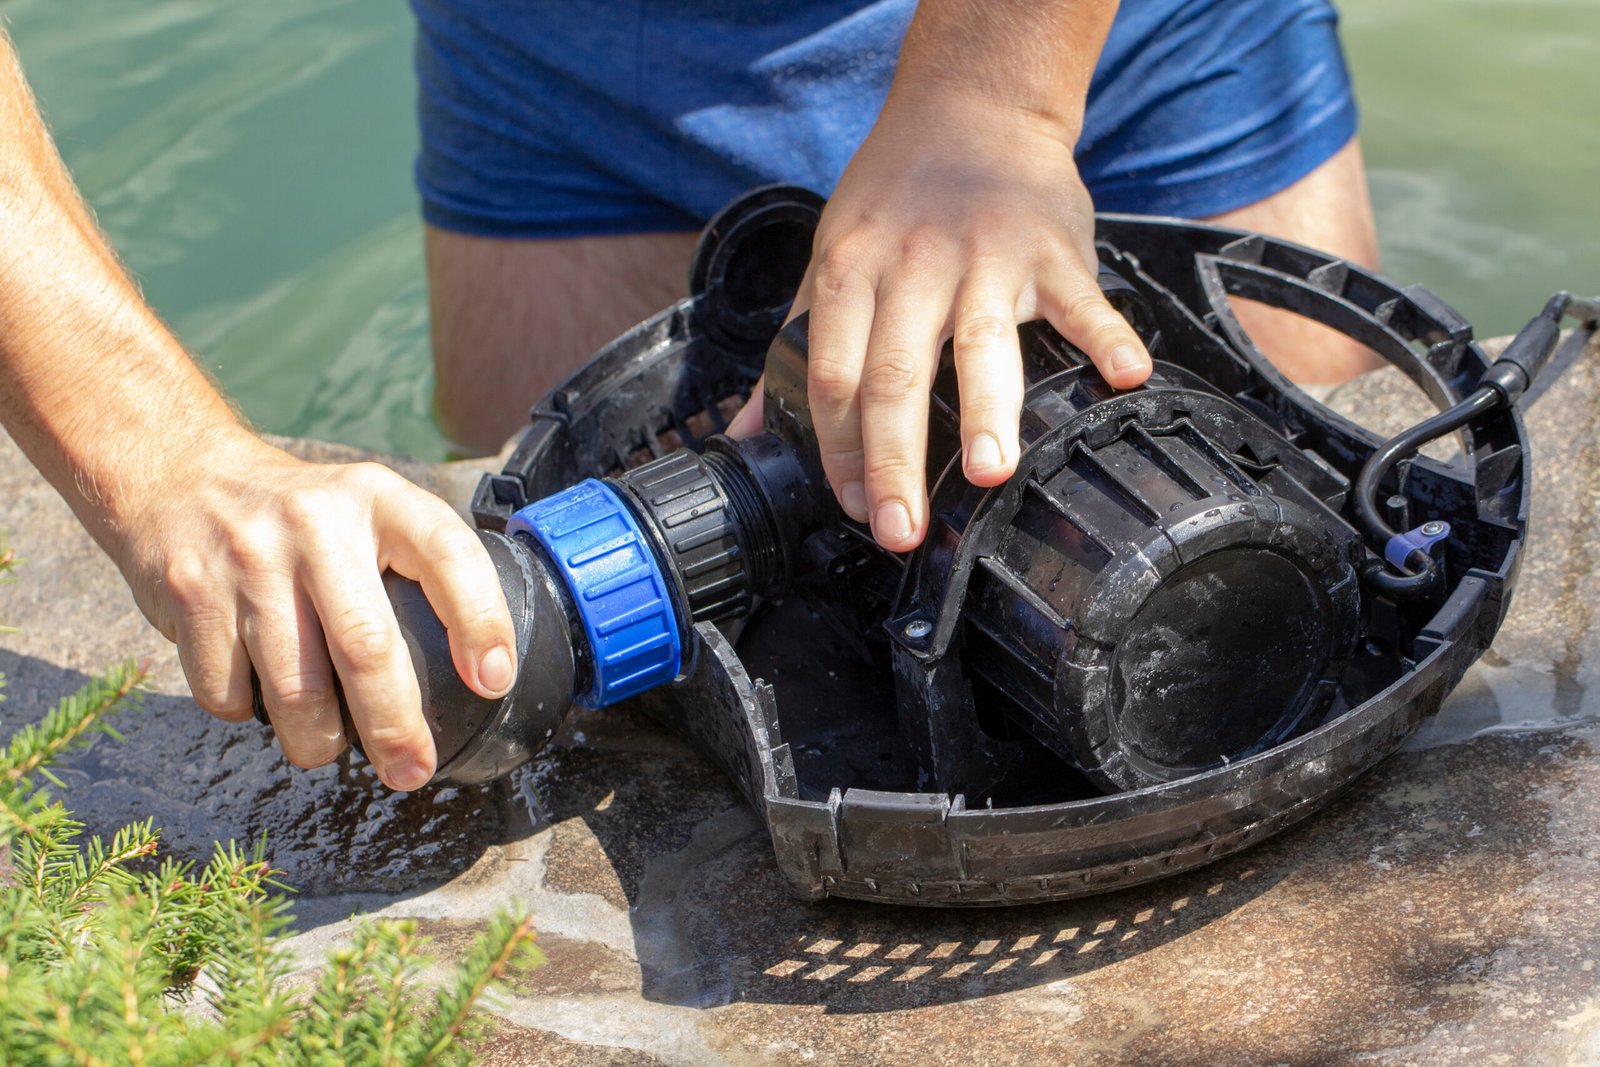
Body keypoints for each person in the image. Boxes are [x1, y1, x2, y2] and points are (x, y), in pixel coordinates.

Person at [0, 0, 1379, 793]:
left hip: (1093, 35)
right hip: (576, 52)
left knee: (1329, 488)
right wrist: (163, 457)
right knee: (495, 598)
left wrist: (999, 99)